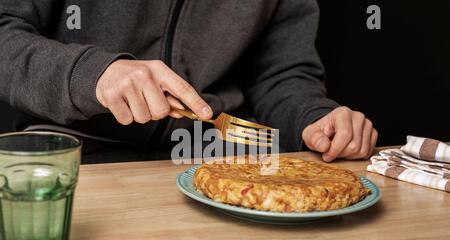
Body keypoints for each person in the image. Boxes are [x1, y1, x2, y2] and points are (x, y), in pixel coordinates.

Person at [0, 0, 377, 163]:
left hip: (220, 160)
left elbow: (281, 73)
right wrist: (91, 74)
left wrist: (315, 117)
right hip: (75, 157)